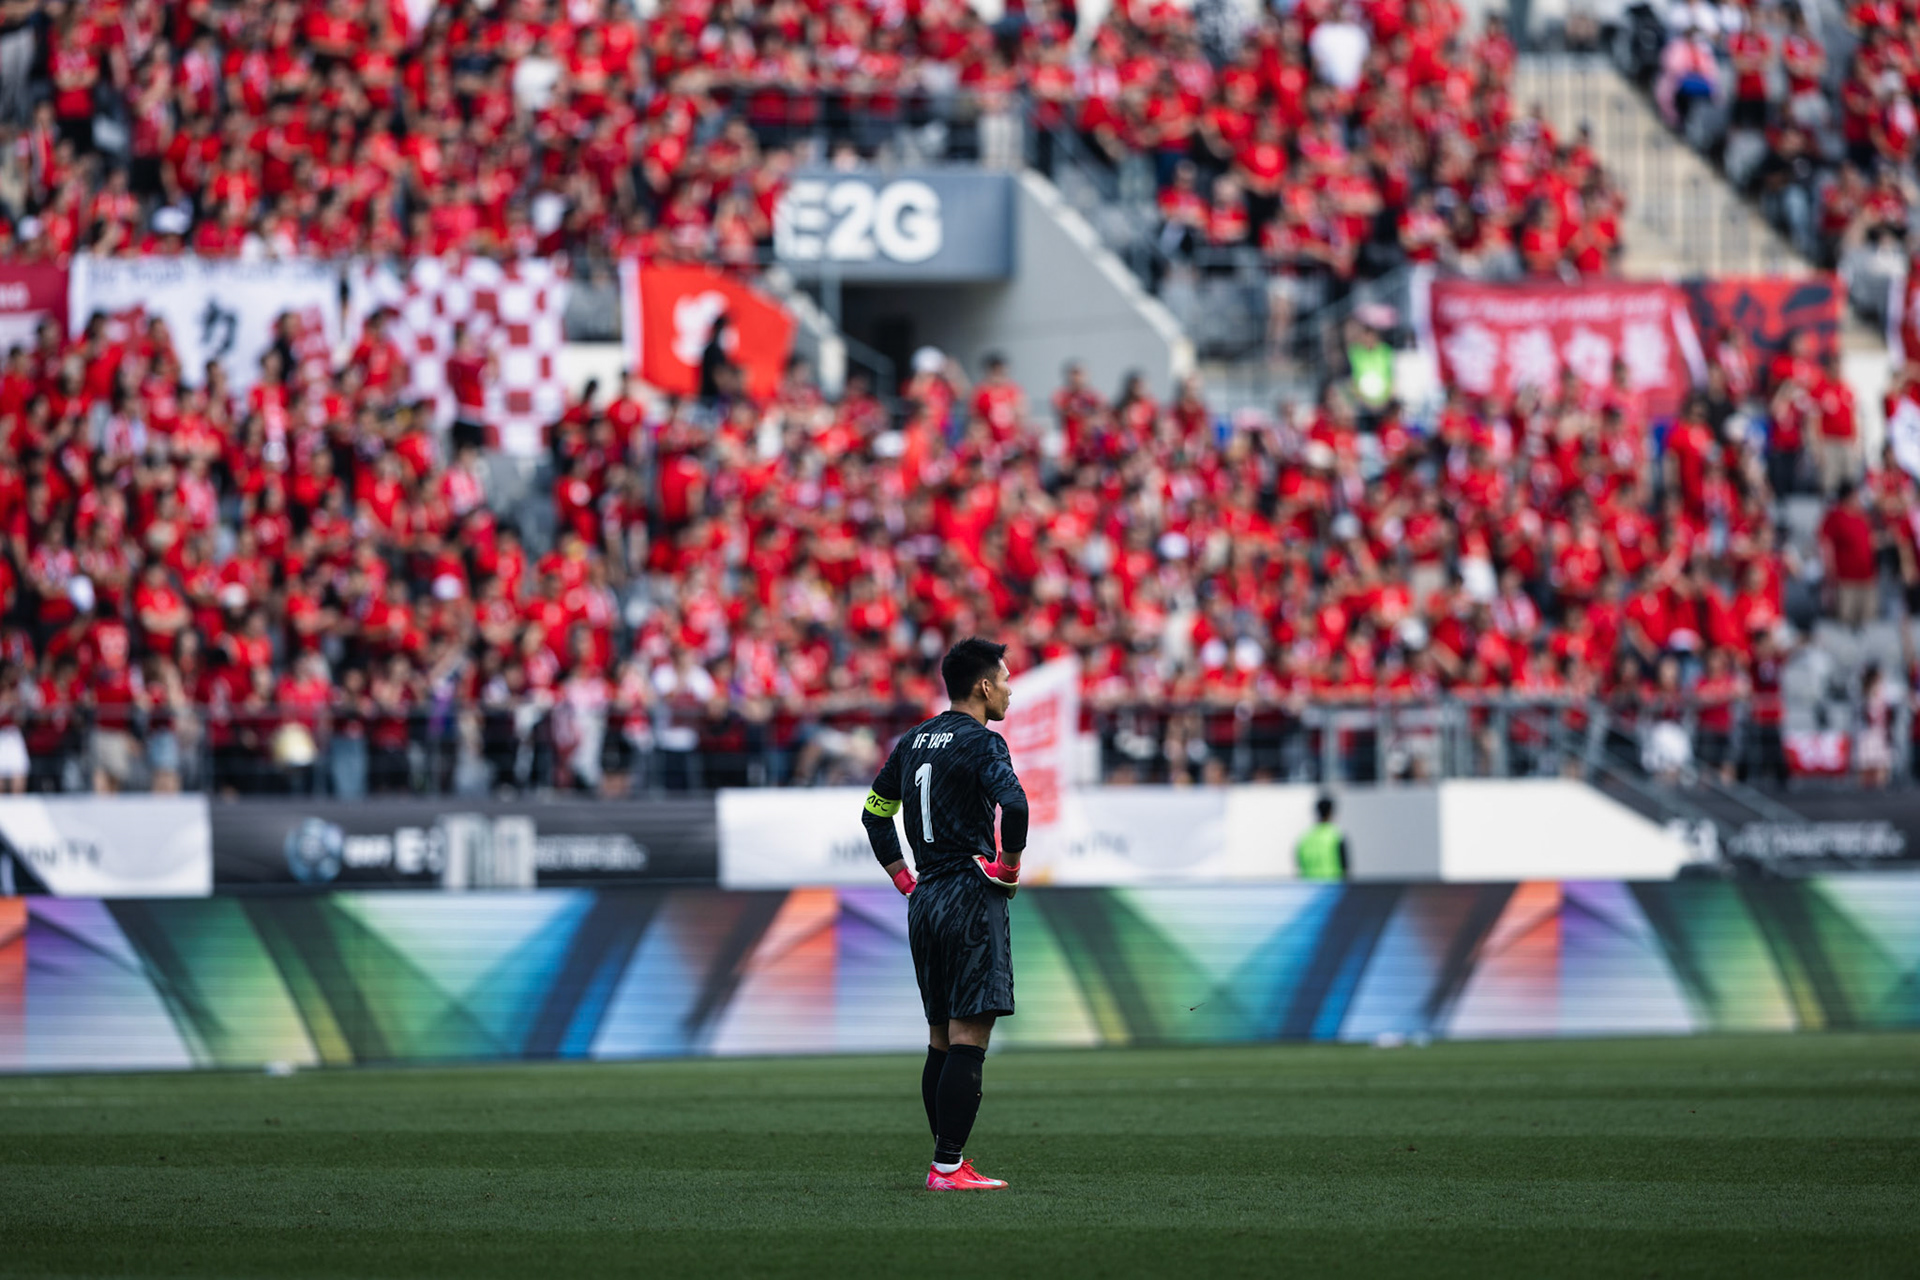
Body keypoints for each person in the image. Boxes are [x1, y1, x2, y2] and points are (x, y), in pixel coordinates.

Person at [861, 637, 1028, 1192]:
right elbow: (1017, 805)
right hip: (968, 893)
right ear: (983, 686)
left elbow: (874, 812)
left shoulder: (912, 741)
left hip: (926, 896)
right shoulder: (984, 743)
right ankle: (948, 1168)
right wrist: (1007, 867)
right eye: (1004, 679)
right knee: (968, 1037)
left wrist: (902, 876)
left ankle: (949, 1161)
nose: (1008, 688)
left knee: (940, 1038)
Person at [1294, 793, 1349, 880]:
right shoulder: (1336, 836)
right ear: (1330, 812)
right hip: (1333, 888)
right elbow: (1345, 868)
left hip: (1309, 888)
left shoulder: (1305, 838)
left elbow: (1300, 865)